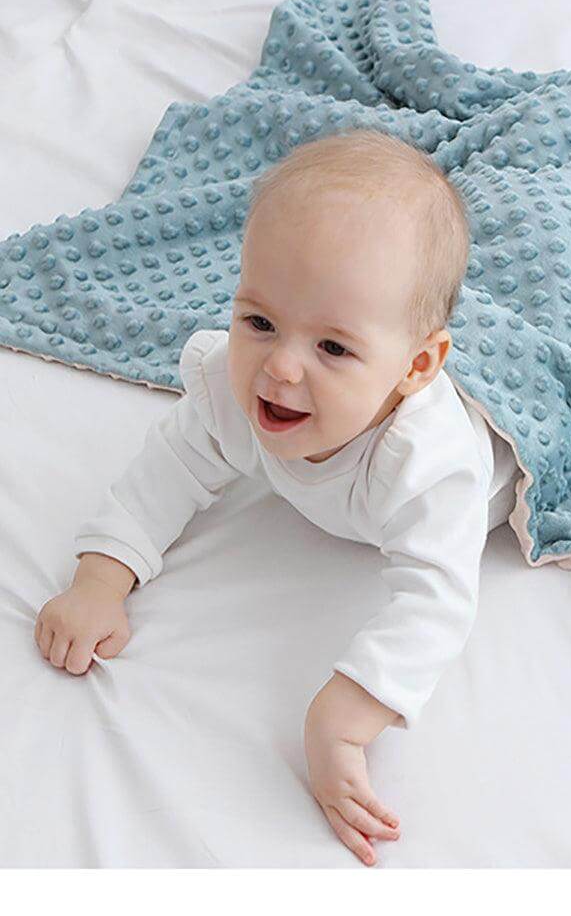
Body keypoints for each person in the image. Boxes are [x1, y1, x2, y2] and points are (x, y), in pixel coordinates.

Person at [33, 127, 519, 867]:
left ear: (416, 367)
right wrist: (101, 579)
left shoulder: (430, 466)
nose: (280, 369)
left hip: (508, 418)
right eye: (259, 321)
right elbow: (169, 467)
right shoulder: (238, 385)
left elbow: (437, 598)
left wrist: (345, 719)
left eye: (332, 348)